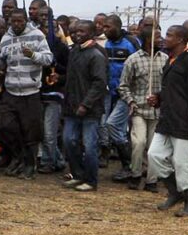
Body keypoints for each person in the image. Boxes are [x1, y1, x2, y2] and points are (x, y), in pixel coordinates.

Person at [148, 25, 188, 216]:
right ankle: (175, 192)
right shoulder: (172, 60)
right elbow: (172, 89)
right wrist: (158, 97)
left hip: (185, 122)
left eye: (169, 36)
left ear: (181, 39)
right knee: (154, 155)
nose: (165, 39)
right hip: (167, 120)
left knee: (182, 163)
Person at [0, 8, 53, 179]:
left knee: (31, 131)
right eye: (14, 21)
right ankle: (18, 157)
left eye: (21, 21)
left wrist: (33, 55)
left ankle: (29, 165)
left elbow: (48, 58)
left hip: (31, 90)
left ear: (26, 20)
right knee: (4, 125)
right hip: (11, 90)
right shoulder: (6, 38)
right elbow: (1, 62)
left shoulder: (37, 35)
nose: (17, 24)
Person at [118, 28, 167, 191]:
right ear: (148, 40)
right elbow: (123, 86)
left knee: (154, 147)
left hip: (158, 111)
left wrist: (161, 98)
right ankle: (135, 174)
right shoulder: (133, 60)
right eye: (158, 37)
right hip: (138, 109)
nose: (161, 40)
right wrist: (130, 101)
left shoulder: (166, 59)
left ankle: (151, 180)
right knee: (139, 143)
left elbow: (169, 86)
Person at [61, 20, 108, 192]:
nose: (77, 34)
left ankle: (91, 180)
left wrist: (85, 104)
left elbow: (99, 84)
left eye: (81, 31)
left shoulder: (96, 55)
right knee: (68, 141)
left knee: (89, 146)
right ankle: (78, 175)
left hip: (90, 110)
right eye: (75, 31)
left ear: (91, 33)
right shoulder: (74, 51)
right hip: (71, 107)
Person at [102, 15, 139, 181]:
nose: (105, 30)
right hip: (111, 92)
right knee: (109, 126)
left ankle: (129, 165)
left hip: (127, 93)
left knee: (113, 124)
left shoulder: (130, 43)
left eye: (108, 27)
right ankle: (129, 165)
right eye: (103, 27)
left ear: (117, 26)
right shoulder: (107, 43)